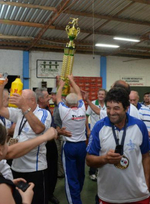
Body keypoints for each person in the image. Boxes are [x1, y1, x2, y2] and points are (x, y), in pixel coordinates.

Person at [86, 87, 150, 204]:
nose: (111, 112)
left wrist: (146, 184)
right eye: (108, 108)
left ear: (126, 108)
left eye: (116, 108)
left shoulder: (140, 126)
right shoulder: (99, 127)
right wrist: (104, 159)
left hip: (138, 195)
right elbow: (89, 160)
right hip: (108, 196)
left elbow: (146, 156)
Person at [0, 74, 51, 204]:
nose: (17, 100)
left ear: (32, 101)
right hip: (17, 167)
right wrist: (0, 87)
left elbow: (38, 129)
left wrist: (24, 106)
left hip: (35, 169)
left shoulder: (43, 113)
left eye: (22, 99)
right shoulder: (19, 113)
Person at [57, 75, 87, 204]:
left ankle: (75, 201)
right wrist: (72, 80)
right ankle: (77, 193)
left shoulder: (64, 111)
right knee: (80, 173)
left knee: (71, 176)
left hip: (69, 147)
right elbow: (79, 93)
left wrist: (62, 84)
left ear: (67, 103)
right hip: (82, 147)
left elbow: (58, 98)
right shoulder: (82, 108)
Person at [35, 87, 59, 204]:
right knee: (44, 172)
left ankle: (50, 193)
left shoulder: (48, 110)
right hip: (40, 144)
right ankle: (45, 194)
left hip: (50, 144)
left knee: (52, 170)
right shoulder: (35, 112)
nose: (49, 97)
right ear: (40, 99)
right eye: (47, 96)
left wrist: (58, 131)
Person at [86, 88, 106, 181]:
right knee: (93, 152)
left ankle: (100, 171)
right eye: (99, 94)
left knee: (103, 151)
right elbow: (86, 117)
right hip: (94, 132)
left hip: (105, 132)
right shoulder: (92, 103)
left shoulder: (107, 105)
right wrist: (88, 130)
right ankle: (92, 172)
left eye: (102, 94)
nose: (101, 96)